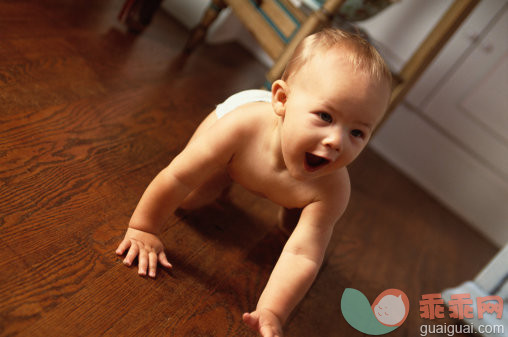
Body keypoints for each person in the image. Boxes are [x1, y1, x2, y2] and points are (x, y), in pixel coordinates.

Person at [115, 28, 392, 336]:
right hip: (238, 143)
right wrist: (144, 228)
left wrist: (272, 311)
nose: (336, 141)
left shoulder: (333, 189)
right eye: (325, 116)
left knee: (296, 232)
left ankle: (290, 209)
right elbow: (177, 175)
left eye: (357, 133)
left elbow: (302, 255)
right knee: (191, 197)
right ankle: (223, 174)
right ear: (282, 99)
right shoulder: (238, 126)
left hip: (290, 182)